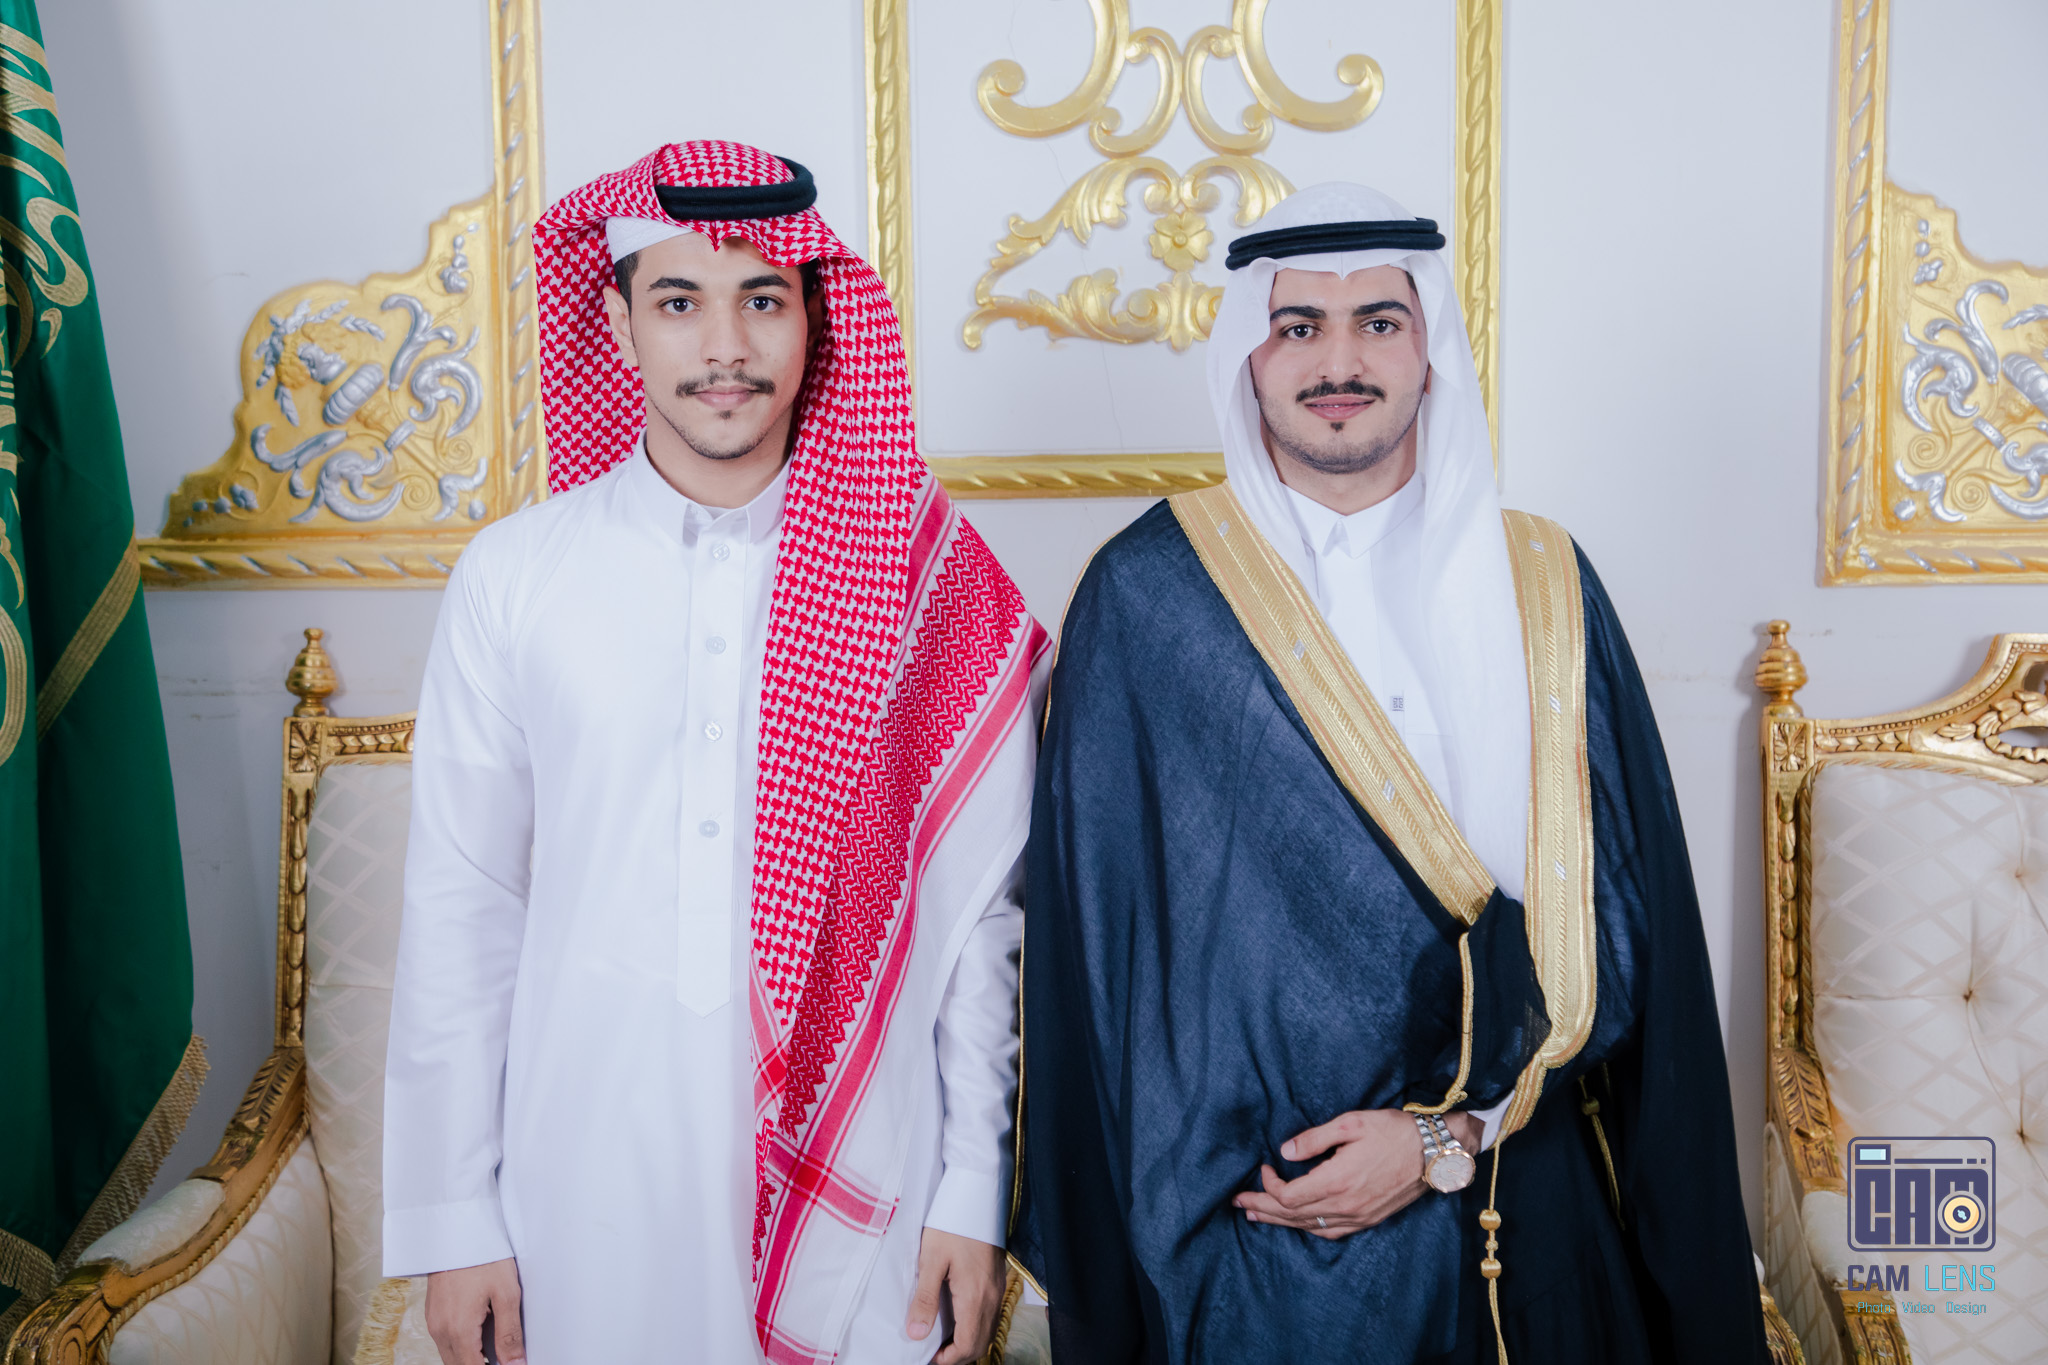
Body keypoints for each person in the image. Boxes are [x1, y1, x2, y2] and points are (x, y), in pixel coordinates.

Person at [1012, 183, 1768, 1363]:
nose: (1338, 363)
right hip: (1254, 1235)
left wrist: (1444, 1138)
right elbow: (1101, 959)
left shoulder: (1541, 585)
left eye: (1377, 322)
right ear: (1247, 355)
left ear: (1429, 351)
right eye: (1297, 326)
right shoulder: (1150, 597)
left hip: (1515, 1202)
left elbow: (1628, 926)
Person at [381, 141, 1047, 1365]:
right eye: (679, 302)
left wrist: (971, 1191)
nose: (725, 347)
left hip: (871, 1182)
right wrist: (449, 1218)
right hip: (579, 1176)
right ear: (619, 326)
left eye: (762, 300)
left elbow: (978, 924)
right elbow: (461, 910)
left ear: (814, 321)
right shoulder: (516, 575)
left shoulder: (926, 584)